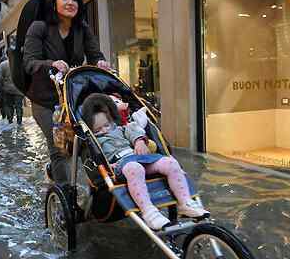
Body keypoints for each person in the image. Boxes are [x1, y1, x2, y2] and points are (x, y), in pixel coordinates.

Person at [23, 0, 110, 184]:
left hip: (73, 96)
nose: (71, 2)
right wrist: (51, 64)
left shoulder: (83, 28)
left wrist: (101, 63)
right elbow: (29, 62)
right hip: (45, 100)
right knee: (60, 149)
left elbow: (95, 55)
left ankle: (98, 190)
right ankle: (64, 197)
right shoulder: (39, 27)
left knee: (88, 142)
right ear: (54, 3)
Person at [81, 93, 209, 230]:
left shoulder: (122, 129)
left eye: (107, 125)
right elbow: (95, 159)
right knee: (135, 169)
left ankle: (185, 203)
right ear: (92, 131)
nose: (104, 130)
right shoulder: (95, 142)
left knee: (170, 163)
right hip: (121, 165)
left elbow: (133, 131)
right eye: (98, 130)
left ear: (112, 120)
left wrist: (139, 141)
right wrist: (107, 166)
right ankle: (148, 211)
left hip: (141, 157)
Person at [0, 55, 24, 125]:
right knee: (19, 106)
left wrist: (2, 86)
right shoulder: (20, 63)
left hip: (8, 90)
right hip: (19, 90)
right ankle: (19, 122)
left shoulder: (3, 64)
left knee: (9, 106)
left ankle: (10, 121)